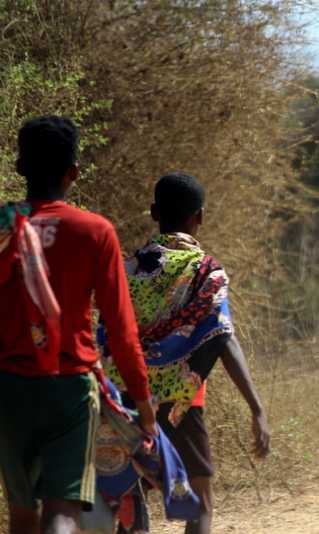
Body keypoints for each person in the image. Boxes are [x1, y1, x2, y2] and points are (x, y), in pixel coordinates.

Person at [0, 115, 155, 534]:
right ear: (73, 173)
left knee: (22, 515)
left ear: (18, 168)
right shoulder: (93, 231)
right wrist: (143, 406)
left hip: (8, 386)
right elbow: (121, 330)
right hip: (68, 386)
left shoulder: (2, 227)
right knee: (63, 511)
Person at [99, 172, 270, 534]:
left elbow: (107, 333)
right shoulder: (206, 273)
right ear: (201, 217)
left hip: (125, 395)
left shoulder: (127, 269)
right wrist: (256, 407)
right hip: (180, 404)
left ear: (153, 213)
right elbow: (223, 338)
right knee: (200, 496)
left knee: (128, 492)